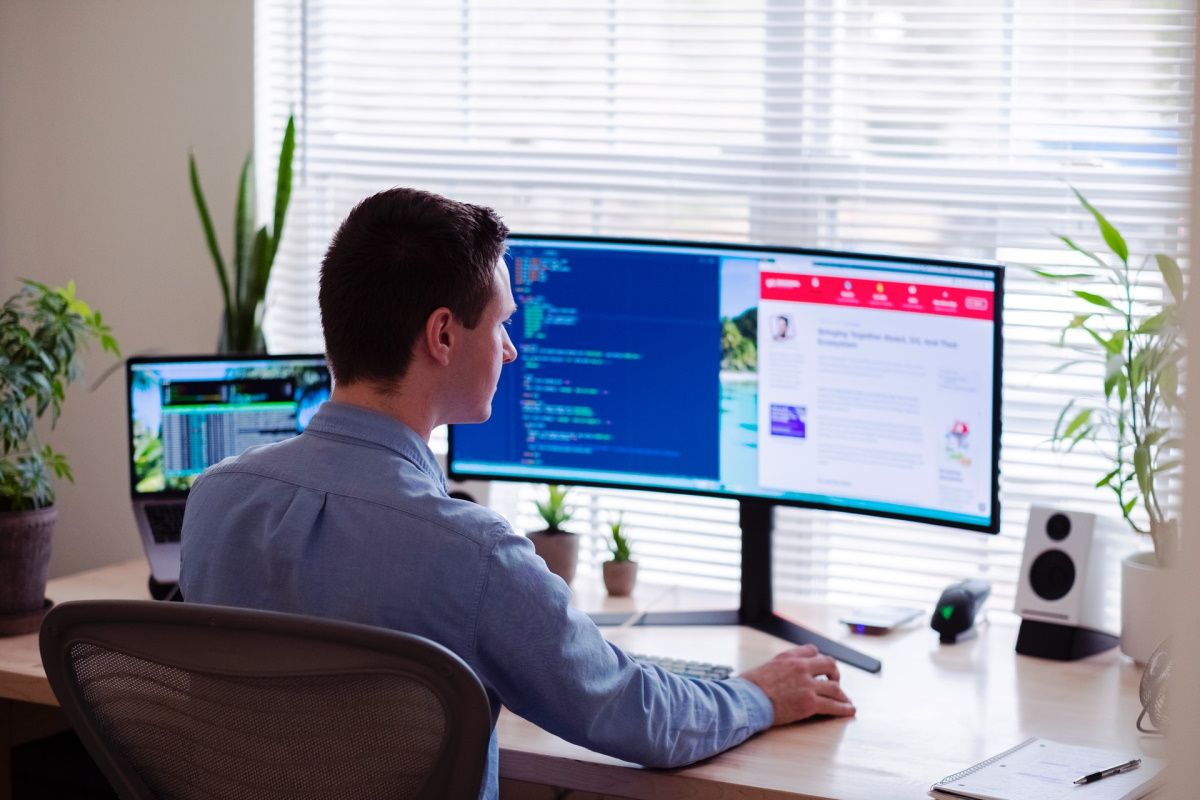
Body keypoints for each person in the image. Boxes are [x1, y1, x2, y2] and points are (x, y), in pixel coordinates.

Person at [179, 187, 854, 800]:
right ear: (443, 335)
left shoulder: (215, 500)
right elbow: (634, 714)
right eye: (501, 324)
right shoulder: (470, 554)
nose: (510, 351)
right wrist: (759, 696)